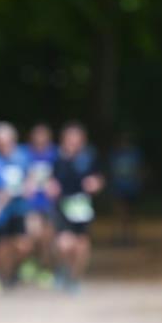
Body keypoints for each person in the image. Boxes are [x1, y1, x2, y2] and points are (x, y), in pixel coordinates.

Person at [48, 122, 104, 291]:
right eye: (69, 139)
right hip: (62, 204)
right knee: (64, 244)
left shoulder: (89, 157)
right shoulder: (56, 157)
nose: (72, 142)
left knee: (81, 246)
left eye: (76, 139)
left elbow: (99, 178)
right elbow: (48, 178)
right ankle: (62, 268)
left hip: (81, 206)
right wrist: (51, 186)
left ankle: (75, 278)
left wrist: (96, 184)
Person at [0, 121, 34, 287]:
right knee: (1, 245)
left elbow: (30, 176)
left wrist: (29, 186)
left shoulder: (23, 156)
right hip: (0, 210)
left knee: (23, 245)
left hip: (19, 207)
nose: (3, 145)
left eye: (6, 141)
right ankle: (2, 275)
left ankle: (14, 269)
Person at [23, 123, 57, 283]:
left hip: (49, 203)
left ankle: (46, 268)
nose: (40, 139)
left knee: (47, 238)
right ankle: (31, 261)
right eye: (37, 136)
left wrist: (55, 184)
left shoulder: (54, 154)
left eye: (43, 136)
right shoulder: (25, 154)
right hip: (31, 203)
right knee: (33, 234)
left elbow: (61, 174)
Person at [108, 134, 143, 245]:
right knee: (120, 213)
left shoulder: (135, 154)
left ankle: (130, 237)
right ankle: (120, 237)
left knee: (131, 214)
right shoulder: (115, 155)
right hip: (119, 188)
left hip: (132, 188)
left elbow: (139, 170)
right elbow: (111, 171)